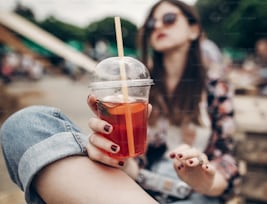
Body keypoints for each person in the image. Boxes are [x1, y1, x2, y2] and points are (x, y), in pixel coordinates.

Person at [0, 0, 239, 204]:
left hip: (193, 194)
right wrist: (116, 159)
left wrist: (205, 180)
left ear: (194, 30)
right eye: (151, 23)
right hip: (132, 190)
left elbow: (226, 159)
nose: (158, 26)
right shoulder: (136, 87)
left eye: (168, 18)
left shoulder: (215, 87)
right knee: (23, 126)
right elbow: (135, 167)